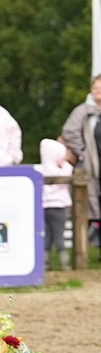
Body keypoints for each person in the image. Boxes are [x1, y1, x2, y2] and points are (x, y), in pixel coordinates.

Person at [61, 74, 101, 241]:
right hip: (92, 167)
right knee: (91, 209)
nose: (98, 91)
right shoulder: (83, 111)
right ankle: (88, 247)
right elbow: (69, 131)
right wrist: (82, 152)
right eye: (95, 88)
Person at [40, 138, 73, 269]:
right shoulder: (60, 170)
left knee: (48, 235)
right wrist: (65, 164)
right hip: (58, 207)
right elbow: (68, 171)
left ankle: (46, 262)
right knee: (59, 235)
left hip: (45, 207)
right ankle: (64, 263)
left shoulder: (42, 170)